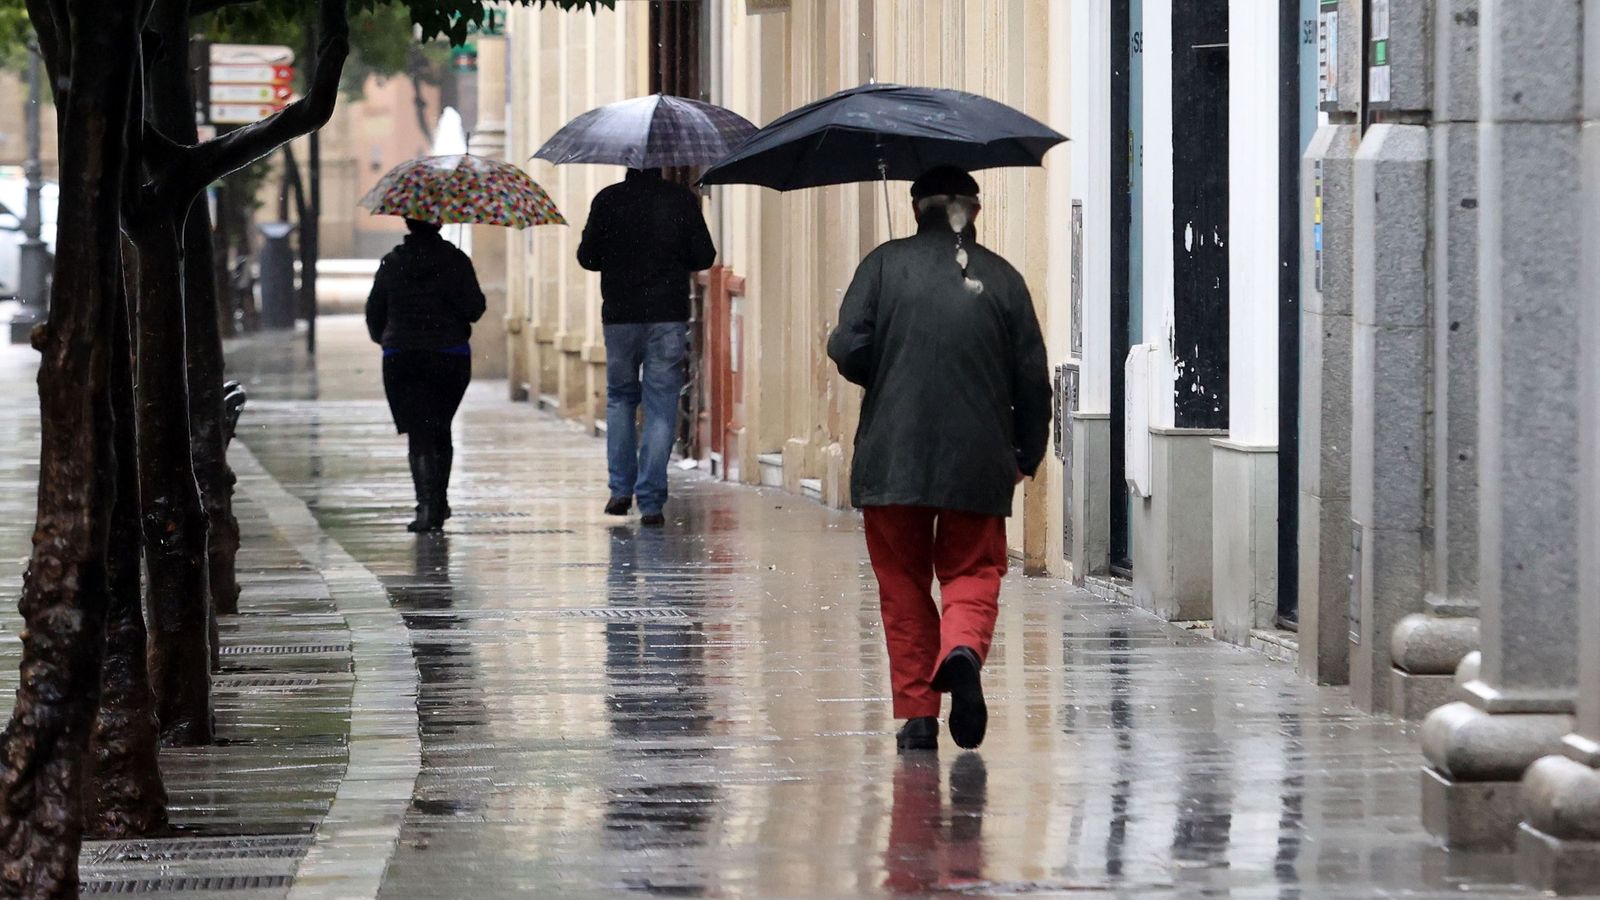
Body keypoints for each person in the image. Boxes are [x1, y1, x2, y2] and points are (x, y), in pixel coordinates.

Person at [827, 166, 1052, 753]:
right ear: (973, 212)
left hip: (891, 457)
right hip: (979, 457)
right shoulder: (1004, 280)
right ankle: (961, 651)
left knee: (901, 582)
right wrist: (1027, 451)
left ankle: (919, 716)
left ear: (915, 208)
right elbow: (1032, 379)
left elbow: (850, 350)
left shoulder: (882, 265)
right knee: (973, 570)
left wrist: (874, 353)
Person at [578, 167, 717, 526]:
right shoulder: (680, 200)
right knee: (660, 404)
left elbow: (587, 257)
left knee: (621, 399)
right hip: (667, 316)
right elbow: (704, 256)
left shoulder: (607, 200)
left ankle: (621, 490)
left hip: (621, 318)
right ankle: (652, 501)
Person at [365, 217, 486, 533]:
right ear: (440, 221)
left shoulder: (392, 262)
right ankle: (439, 501)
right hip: (449, 356)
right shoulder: (456, 260)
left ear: (407, 221)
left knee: (418, 432)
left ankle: (426, 506)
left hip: (402, 357)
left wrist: (389, 338)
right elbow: (475, 308)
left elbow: (374, 312)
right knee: (440, 427)